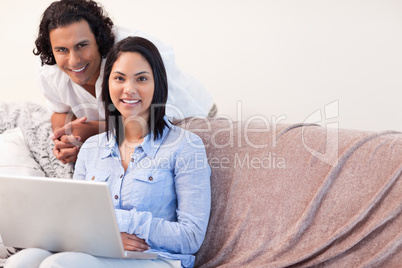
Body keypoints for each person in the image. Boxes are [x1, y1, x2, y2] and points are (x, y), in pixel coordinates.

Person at [6, 36, 211, 268]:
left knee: (58, 265)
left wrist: (118, 224)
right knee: (20, 261)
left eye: (141, 79)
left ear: (158, 84)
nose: (129, 89)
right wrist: (108, 240)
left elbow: (191, 238)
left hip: (158, 258)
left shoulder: (185, 146)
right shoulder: (92, 148)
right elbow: (76, 220)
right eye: (119, 78)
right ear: (107, 84)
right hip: (97, 251)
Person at [34, 0, 216, 164]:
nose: (74, 61)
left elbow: (158, 121)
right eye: (62, 50)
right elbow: (59, 112)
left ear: (98, 39)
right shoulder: (50, 70)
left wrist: (94, 131)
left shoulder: (137, 53)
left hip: (189, 118)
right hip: (121, 130)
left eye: (82, 45)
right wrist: (66, 141)